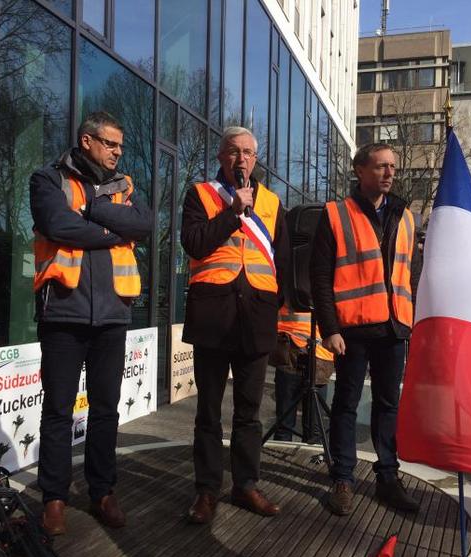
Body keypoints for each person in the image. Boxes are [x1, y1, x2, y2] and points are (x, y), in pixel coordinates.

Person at [30, 111, 152, 535]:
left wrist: (93, 213)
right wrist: (111, 231)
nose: (118, 152)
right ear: (87, 141)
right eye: (111, 144)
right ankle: (55, 499)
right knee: (58, 411)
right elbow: (55, 224)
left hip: (113, 317)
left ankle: (102, 492)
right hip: (63, 311)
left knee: (105, 411)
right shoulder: (48, 179)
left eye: (120, 146)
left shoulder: (124, 186)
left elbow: (146, 223)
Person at [180, 126, 289, 524]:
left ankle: (246, 485)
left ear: (255, 159)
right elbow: (194, 243)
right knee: (208, 413)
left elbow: (284, 265)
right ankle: (206, 491)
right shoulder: (201, 195)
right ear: (220, 156)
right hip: (212, 317)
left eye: (247, 152)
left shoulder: (275, 203)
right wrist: (233, 213)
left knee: (249, 413)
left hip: (256, 318)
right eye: (233, 151)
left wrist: (280, 313)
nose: (240, 158)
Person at [310, 143, 420, 516]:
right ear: (360, 170)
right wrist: (330, 327)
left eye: (392, 167)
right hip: (353, 330)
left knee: (389, 406)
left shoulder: (405, 215)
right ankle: (342, 477)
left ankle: (387, 477)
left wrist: (411, 321)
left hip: (394, 328)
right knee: (346, 405)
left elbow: (409, 273)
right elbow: (320, 277)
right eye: (380, 167)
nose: (389, 173)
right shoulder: (336, 214)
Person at [270, 304, 334, 442]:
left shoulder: (287, 284)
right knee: (311, 428)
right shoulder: (326, 286)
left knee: (287, 425)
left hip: (310, 354)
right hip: (305, 354)